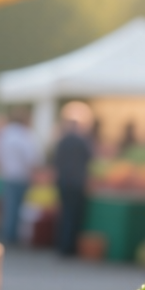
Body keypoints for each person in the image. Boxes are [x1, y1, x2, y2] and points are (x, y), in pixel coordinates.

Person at [53, 101, 95, 257]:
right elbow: (90, 159)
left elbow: (56, 161)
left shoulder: (62, 140)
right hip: (77, 181)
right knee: (74, 214)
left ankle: (62, 245)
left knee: (65, 214)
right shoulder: (82, 141)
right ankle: (69, 247)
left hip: (63, 180)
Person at [0, 107, 40, 245]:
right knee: (19, 209)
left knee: (9, 207)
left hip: (7, 175)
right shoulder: (25, 135)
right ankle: (14, 237)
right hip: (21, 176)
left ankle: (8, 235)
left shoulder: (5, 134)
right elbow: (32, 158)